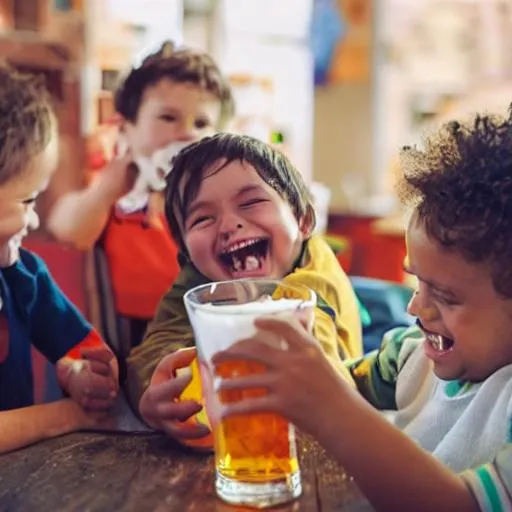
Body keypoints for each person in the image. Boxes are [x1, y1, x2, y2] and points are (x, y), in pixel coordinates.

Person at [211, 112, 512, 511]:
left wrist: (335, 408)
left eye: (446, 296)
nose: (417, 307)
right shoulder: (405, 357)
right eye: (417, 283)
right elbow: (341, 384)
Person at [128, 133, 363, 443]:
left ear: (304, 221)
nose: (228, 225)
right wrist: (159, 389)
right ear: (185, 252)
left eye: (251, 202)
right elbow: (156, 347)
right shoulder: (197, 275)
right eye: (202, 218)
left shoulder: (313, 272)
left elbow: (322, 372)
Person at [47, 43, 235, 345]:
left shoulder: (213, 202)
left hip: (196, 337)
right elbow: (66, 228)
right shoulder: (115, 191)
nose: (187, 133)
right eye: (168, 118)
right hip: (126, 343)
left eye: (201, 123)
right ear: (126, 129)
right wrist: (107, 190)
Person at [0, 64, 119, 454]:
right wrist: (68, 416)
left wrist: (80, 375)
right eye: (27, 200)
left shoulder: (22, 274)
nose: (33, 219)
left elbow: (83, 348)